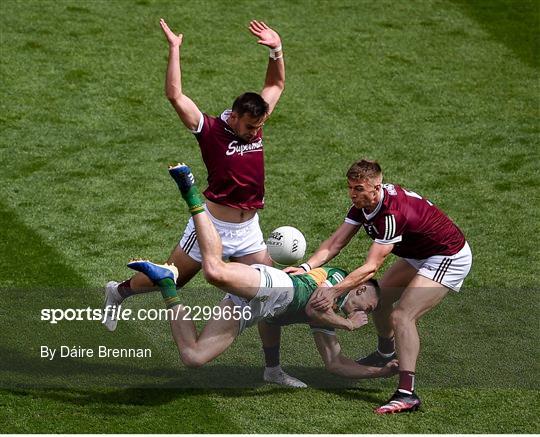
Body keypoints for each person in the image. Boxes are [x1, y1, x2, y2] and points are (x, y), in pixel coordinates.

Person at [102, 18, 300, 387]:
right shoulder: (208, 129)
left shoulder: (258, 118)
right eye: (249, 127)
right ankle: (120, 291)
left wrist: (277, 49)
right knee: (173, 277)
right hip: (212, 226)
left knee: (269, 293)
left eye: (258, 128)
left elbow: (275, 84)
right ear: (235, 114)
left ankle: (272, 369)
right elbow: (175, 95)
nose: (255, 132)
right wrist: (175, 49)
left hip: (249, 229)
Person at [125, 163, 398, 382]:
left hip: (258, 309)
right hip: (275, 286)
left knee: (193, 357)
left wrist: (381, 372)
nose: (366, 313)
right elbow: (315, 308)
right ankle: (192, 195)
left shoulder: (332, 315)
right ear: (361, 289)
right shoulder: (338, 280)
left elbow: (336, 364)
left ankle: (167, 285)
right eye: (370, 307)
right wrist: (349, 324)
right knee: (213, 272)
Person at [285, 159, 472, 414]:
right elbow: (336, 242)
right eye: (350, 187)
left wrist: (334, 290)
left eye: (359, 188)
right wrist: (306, 268)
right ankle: (386, 353)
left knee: (402, 315)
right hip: (421, 253)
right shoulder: (362, 205)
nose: (353, 193)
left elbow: (371, 267)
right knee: (381, 299)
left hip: (447, 256)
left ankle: (407, 393)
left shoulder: (391, 215)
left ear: (377, 187)